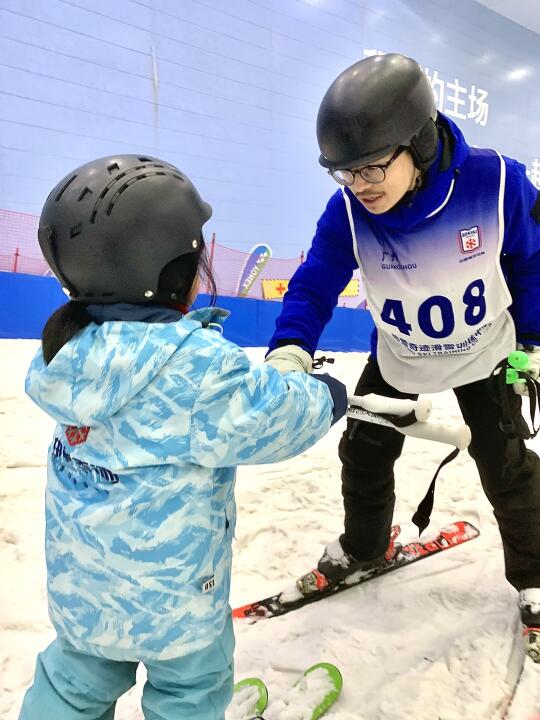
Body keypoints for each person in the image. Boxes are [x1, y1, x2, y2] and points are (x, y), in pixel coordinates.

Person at [19, 154, 348, 720]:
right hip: (178, 609)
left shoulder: (67, 352)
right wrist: (328, 394)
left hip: (85, 601)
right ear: (169, 268)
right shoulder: (195, 366)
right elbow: (276, 417)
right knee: (190, 693)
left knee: (70, 686)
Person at [265, 53, 540, 661]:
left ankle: (536, 578)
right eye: (343, 173)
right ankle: (365, 547)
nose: (359, 186)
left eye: (370, 169)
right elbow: (315, 281)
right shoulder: (349, 213)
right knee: (363, 453)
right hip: (400, 357)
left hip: (484, 356)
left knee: (509, 470)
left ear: (416, 141)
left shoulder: (498, 184)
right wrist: (290, 347)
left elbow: (532, 262)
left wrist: (534, 342)